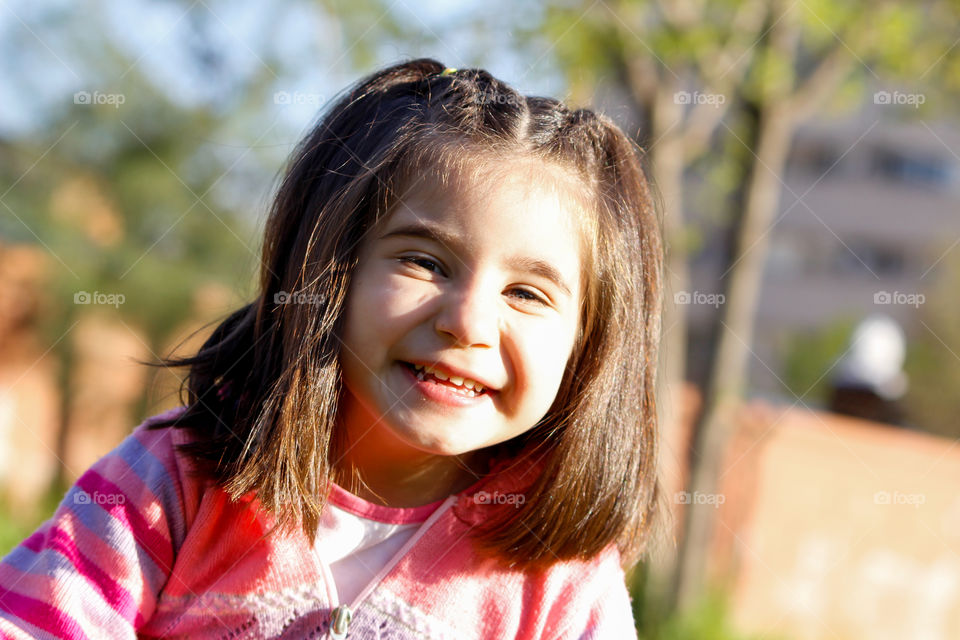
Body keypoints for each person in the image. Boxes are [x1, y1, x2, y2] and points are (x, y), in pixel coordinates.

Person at [0, 58, 665, 639]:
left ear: (590, 341)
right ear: (330, 269)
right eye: (425, 263)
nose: (468, 323)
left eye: (526, 293)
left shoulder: (558, 582)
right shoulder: (173, 483)